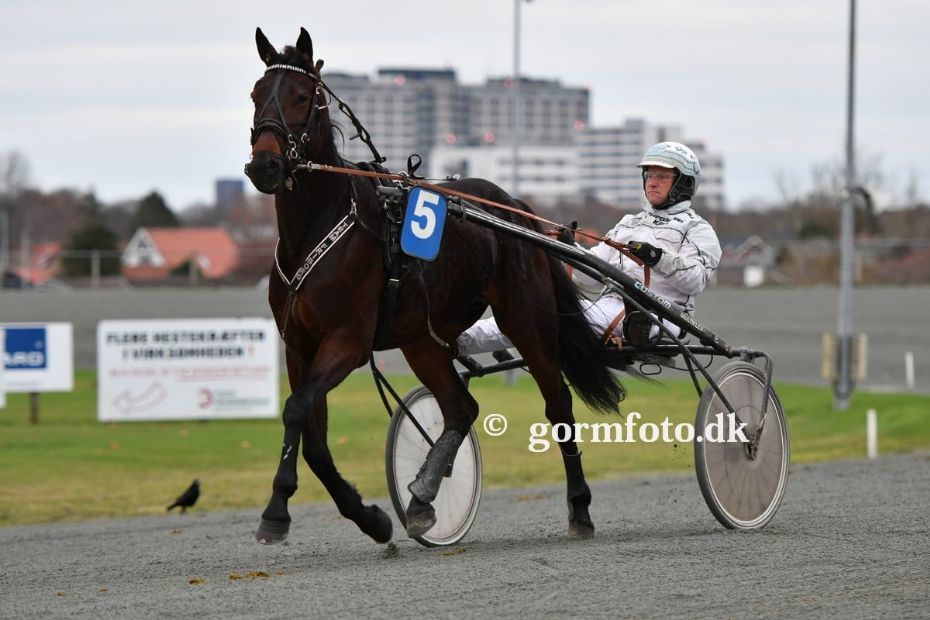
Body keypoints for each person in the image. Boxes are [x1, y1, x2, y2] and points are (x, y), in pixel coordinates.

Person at [456, 141, 722, 354]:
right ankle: (458, 342)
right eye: (650, 175)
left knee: (540, 318)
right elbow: (587, 275)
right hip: (608, 307)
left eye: (662, 177)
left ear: (684, 183)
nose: (652, 182)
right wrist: (570, 249)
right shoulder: (629, 223)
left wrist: (656, 257)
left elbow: (695, 282)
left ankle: (468, 343)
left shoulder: (698, 229)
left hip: (665, 317)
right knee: (533, 312)